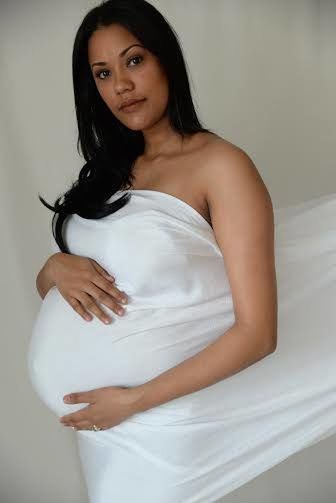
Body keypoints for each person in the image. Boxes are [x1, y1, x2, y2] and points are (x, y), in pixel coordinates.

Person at [27, 1, 336, 502]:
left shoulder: (221, 166)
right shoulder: (108, 173)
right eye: (103, 73)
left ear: (165, 59)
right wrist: (52, 268)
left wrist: (133, 401)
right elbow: (71, 296)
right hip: (107, 429)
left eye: (133, 61)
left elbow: (257, 333)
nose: (121, 86)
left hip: (156, 424)